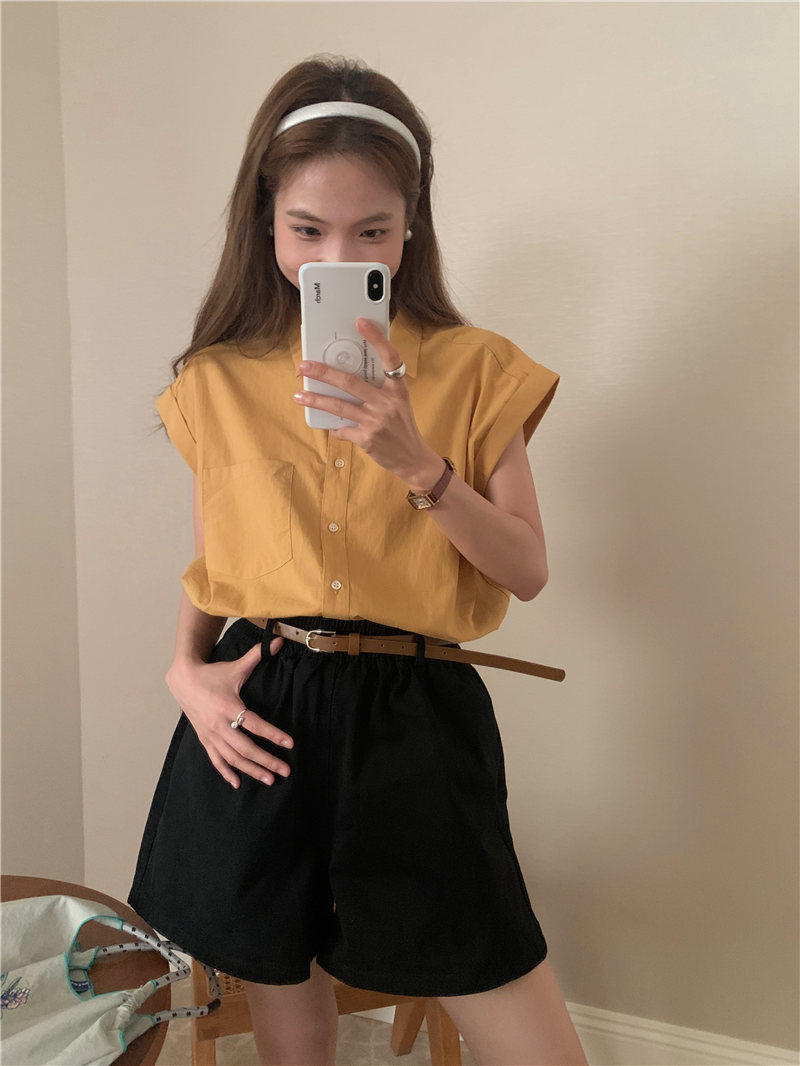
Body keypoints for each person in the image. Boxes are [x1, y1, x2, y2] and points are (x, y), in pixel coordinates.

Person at [128, 53, 588, 1066]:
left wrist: (420, 465)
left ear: (411, 224)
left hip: (414, 711)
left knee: (513, 1006)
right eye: (307, 229)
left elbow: (524, 568)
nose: (334, 254)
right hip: (260, 706)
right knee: (290, 1014)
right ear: (265, 220)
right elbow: (215, 563)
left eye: (370, 230)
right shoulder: (215, 380)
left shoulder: (476, 369)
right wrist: (184, 672)